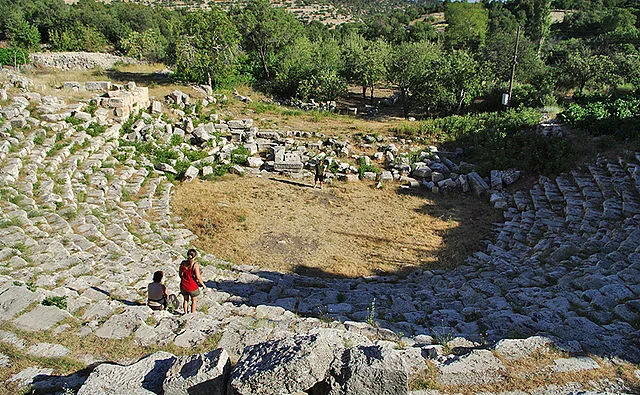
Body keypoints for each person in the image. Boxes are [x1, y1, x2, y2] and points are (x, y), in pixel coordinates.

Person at [179, 248, 204, 314]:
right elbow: (198, 277)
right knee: (194, 300)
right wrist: (203, 285)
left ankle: (185, 313)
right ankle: (192, 314)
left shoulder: (183, 263)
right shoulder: (195, 265)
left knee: (185, 300)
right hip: (192, 286)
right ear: (195, 256)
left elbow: (180, 274)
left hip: (183, 285)